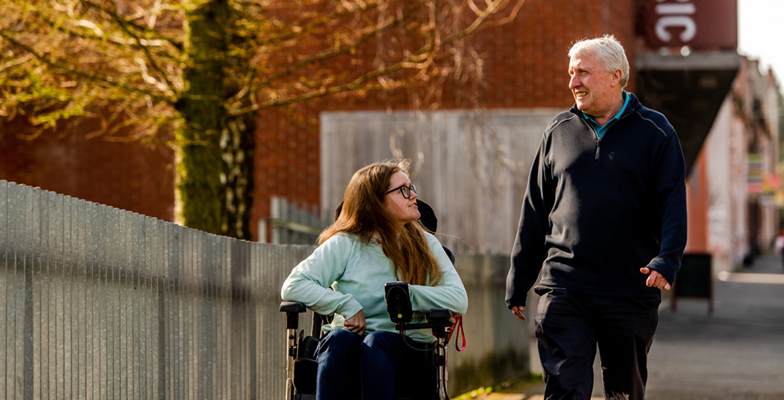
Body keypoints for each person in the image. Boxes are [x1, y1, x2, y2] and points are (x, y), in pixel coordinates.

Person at [505, 35, 687, 400]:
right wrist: (519, 278)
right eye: (571, 73)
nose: (573, 82)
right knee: (564, 389)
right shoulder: (557, 132)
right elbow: (535, 210)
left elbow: (672, 204)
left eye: (583, 73)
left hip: (630, 289)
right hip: (564, 286)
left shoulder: (656, 132)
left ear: (615, 76)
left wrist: (667, 260)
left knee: (624, 392)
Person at [281, 160, 468, 400]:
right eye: (403, 190)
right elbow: (293, 284)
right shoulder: (345, 244)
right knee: (337, 339)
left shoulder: (426, 245)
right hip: (347, 344)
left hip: (407, 347)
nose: (414, 195)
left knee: (378, 342)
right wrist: (345, 304)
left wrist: (406, 294)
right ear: (377, 202)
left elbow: (458, 299)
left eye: (411, 187)